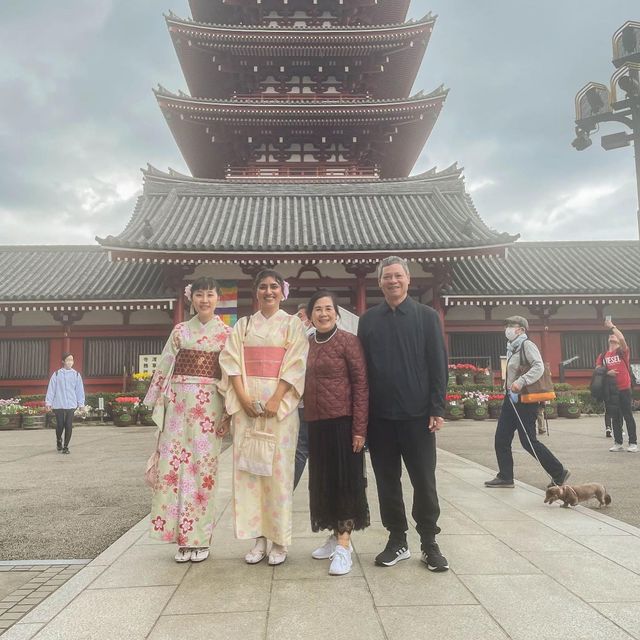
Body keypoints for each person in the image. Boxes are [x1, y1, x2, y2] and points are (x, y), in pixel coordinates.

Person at [357, 256, 449, 572]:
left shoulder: (426, 317)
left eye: (398, 276)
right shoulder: (368, 321)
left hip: (417, 416)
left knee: (424, 480)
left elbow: (438, 365)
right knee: (386, 480)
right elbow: (362, 372)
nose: (392, 281)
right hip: (380, 417)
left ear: (408, 279)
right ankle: (397, 539)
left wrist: (437, 407)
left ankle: (429, 541)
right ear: (379, 282)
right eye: (387, 277)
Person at [220, 269, 308, 566]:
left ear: (282, 292)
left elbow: (296, 362)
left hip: (279, 408)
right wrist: (243, 399)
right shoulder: (243, 326)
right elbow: (230, 362)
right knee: (250, 472)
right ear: (255, 292)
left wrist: (276, 398)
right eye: (263, 287)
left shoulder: (293, 325)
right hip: (247, 408)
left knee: (279, 472)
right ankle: (258, 538)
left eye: (274, 287)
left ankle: (279, 539)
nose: (268, 292)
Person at [143, 276, 232, 563]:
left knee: (203, 472)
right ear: (190, 298)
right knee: (174, 470)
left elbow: (231, 374)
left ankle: (200, 538)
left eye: (210, 294)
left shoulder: (226, 334)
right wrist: (159, 402)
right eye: (199, 295)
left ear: (218, 298)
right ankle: (180, 539)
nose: (205, 300)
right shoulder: (180, 331)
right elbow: (164, 367)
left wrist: (230, 411)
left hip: (210, 407)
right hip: (179, 404)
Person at [303, 290, 369, 576]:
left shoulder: (348, 342)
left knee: (345, 483)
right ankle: (334, 535)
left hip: (343, 422)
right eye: (318, 309)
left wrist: (359, 429)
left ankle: (344, 545)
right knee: (324, 482)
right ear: (309, 314)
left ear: (336, 313)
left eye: (328, 308)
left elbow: (361, 386)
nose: (323, 313)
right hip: (316, 423)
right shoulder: (306, 343)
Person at [485, 316, 571, 489]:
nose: (508, 328)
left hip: (525, 400)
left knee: (528, 441)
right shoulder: (512, 348)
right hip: (511, 399)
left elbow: (538, 366)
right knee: (501, 437)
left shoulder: (527, 345)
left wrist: (521, 381)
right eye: (507, 325)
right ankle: (505, 476)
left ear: (522, 329)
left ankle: (558, 471)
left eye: (512, 326)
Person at [597, 320, 637, 452]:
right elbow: (598, 370)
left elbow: (621, 337)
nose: (612, 336)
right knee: (615, 416)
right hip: (611, 390)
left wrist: (613, 327)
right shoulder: (603, 355)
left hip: (624, 387)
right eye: (610, 336)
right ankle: (618, 442)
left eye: (614, 336)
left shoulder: (622, 352)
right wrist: (607, 372)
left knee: (627, 415)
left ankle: (633, 443)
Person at [293, 303, 315, 490]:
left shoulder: (310, 337)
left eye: (300, 316)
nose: (297, 318)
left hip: (309, 402)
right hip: (303, 402)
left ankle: (285, 491)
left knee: (300, 449)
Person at [45, 352, 85, 454]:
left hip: (71, 404)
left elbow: (80, 390)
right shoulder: (57, 374)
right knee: (60, 425)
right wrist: (48, 403)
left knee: (68, 425)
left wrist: (81, 404)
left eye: (72, 360)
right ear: (63, 361)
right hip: (58, 404)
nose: (70, 362)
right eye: (68, 360)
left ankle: (66, 446)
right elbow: (51, 389)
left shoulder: (76, 375)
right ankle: (59, 440)